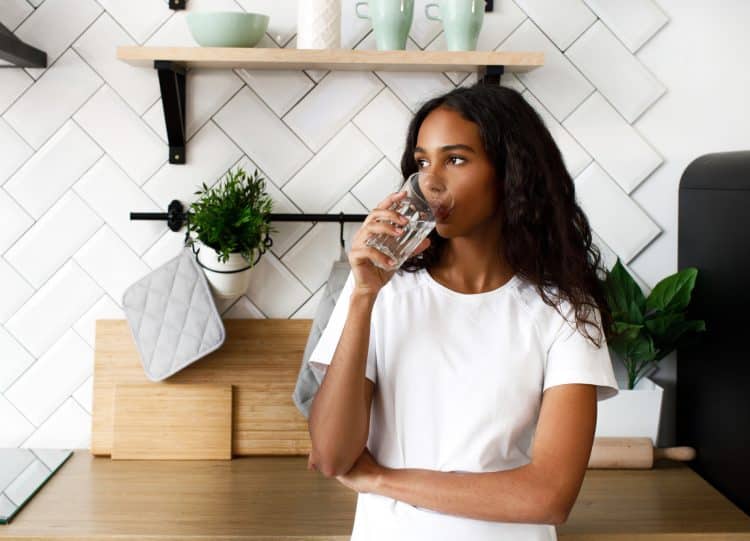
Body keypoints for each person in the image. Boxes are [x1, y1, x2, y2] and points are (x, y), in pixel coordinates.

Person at [305, 82, 620, 541]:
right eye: (421, 162)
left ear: (511, 172)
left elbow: (548, 496)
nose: (430, 181)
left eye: (455, 160)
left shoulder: (566, 312)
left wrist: (379, 479)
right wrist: (361, 298)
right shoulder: (382, 294)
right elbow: (332, 455)